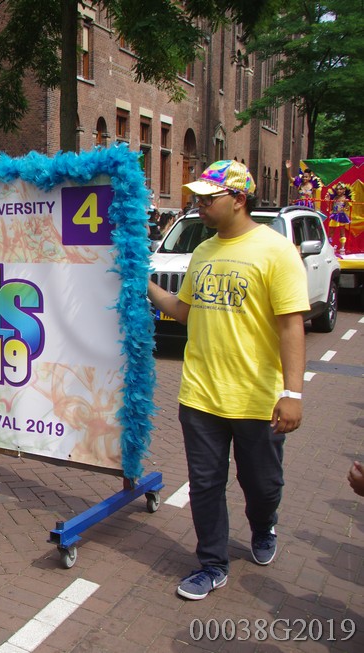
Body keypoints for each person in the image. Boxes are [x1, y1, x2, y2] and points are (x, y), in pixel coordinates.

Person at [146, 160, 309, 601]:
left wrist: (292, 393)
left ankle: (264, 525)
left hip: (257, 398)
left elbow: (291, 325)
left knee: (262, 484)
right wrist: (143, 283)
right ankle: (212, 564)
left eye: (207, 198)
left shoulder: (276, 251)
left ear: (238, 199)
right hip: (200, 395)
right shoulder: (202, 251)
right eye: (196, 198)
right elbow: (183, 312)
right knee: (205, 485)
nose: (198, 205)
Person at [327, 183, 352, 255]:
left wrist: (346, 205)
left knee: (342, 232)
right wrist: (328, 201)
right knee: (331, 232)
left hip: (341, 216)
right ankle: (329, 246)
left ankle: (342, 248)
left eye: (340, 189)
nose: (339, 191)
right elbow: (331, 207)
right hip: (334, 216)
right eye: (337, 189)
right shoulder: (335, 198)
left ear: (344, 190)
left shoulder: (345, 198)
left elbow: (347, 208)